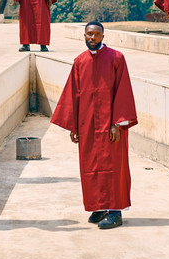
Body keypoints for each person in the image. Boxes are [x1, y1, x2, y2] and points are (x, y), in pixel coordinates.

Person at [51, 21, 137, 230]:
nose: (92, 37)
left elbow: (123, 91)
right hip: (88, 123)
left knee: (113, 166)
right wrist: (74, 126)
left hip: (111, 125)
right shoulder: (80, 62)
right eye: (89, 34)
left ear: (103, 36)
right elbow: (73, 94)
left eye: (96, 34)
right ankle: (99, 207)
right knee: (91, 166)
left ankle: (115, 211)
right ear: (84, 35)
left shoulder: (116, 58)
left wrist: (118, 123)